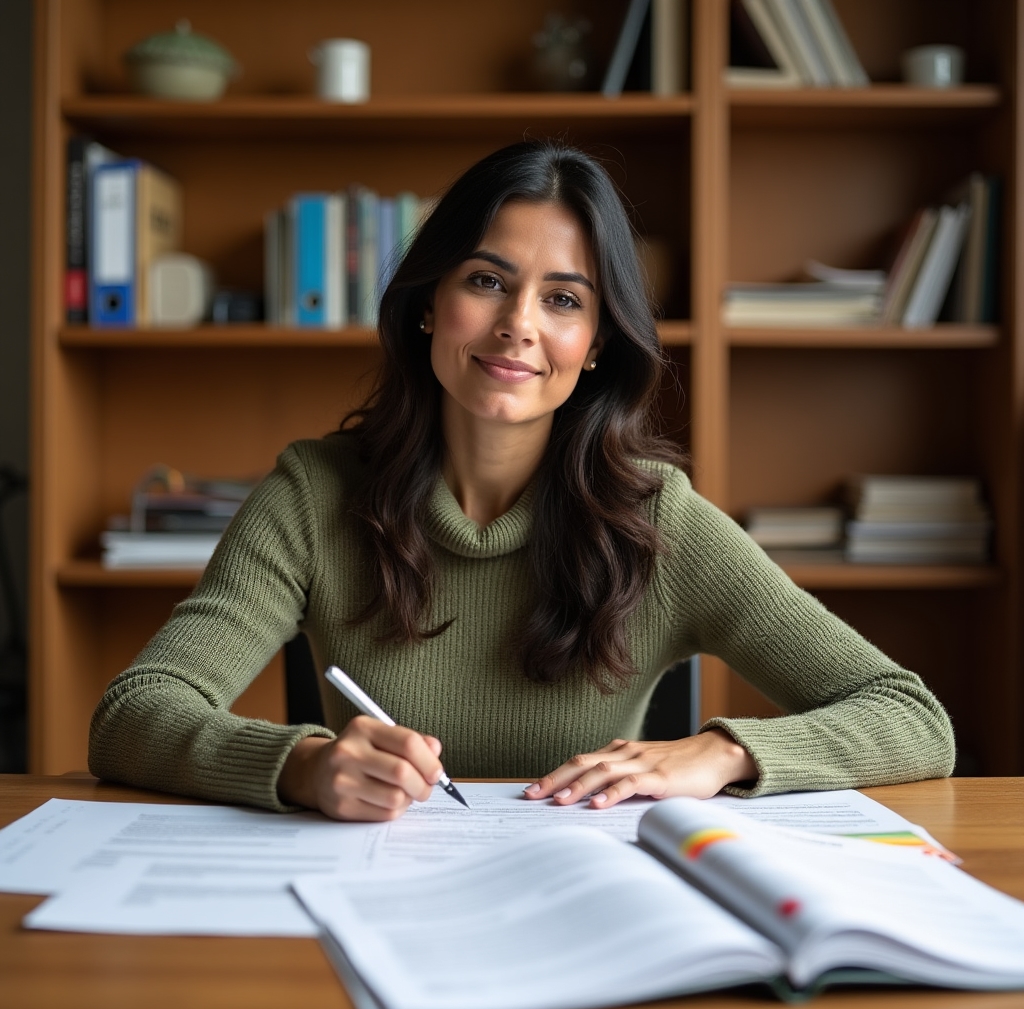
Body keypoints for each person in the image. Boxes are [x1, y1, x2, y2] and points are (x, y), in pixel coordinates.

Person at [89, 141, 955, 822]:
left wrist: (723, 752)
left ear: (598, 345)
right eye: (486, 281)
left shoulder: (661, 522)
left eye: (565, 300)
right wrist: (305, 765)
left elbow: (911, 715)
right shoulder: (313, 496)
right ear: (430, 302)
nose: (517, 327)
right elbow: (135, 712)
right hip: (367, 898)